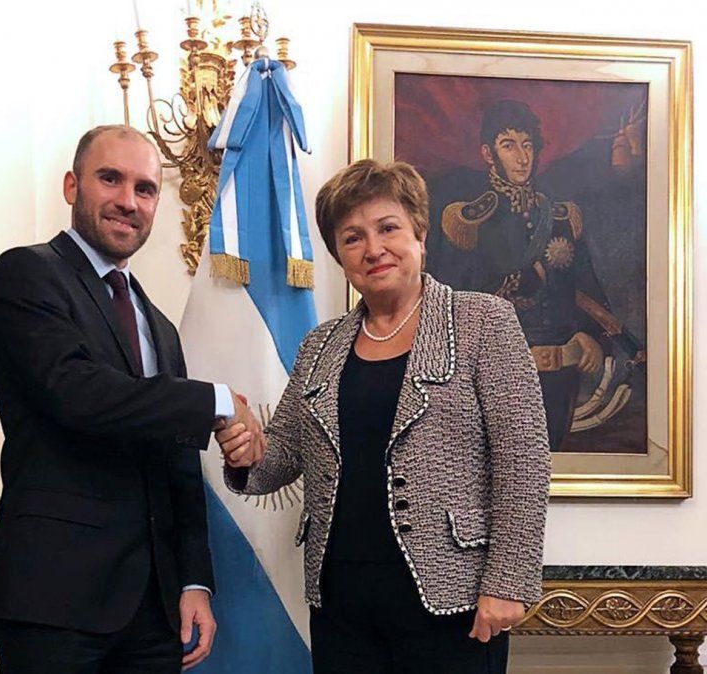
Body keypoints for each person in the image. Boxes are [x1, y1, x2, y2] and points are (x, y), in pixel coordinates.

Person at [216, 159, 551, 673]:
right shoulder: (319, 345)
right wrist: (250, 451)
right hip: (342, 604)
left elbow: (523, 463)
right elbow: (283, 455)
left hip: (451, 603)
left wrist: (507, 583)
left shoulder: (485, 321)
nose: (373, 248)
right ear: (339, 256)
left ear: (419, 233)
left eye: (387, 228)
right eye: (352, 238)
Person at [0, 124, 260, 673]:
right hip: (53, 602)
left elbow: (177, 464)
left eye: (146, 189)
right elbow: (79, 395)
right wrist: (218, 401)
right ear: (71, 186)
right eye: (110, 179)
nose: (128, 201)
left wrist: (194, 579)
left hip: (153, 613)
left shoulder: (158, 325)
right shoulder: (27, 273)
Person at [437, 99, 628, 451]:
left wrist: (591, 339)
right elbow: (451, 303)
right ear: (488, 153)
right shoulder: (469, 221)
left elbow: (584, 290)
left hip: (560, 376)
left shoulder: (559, 217)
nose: (522, 157)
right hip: (496, 376)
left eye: (527, 145)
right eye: (509, 145)